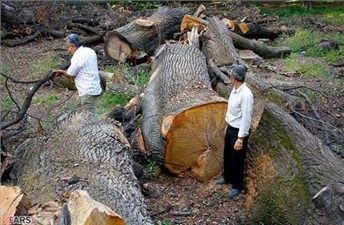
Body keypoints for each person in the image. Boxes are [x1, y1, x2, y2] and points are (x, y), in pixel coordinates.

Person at [216, 63, 254, 198]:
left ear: (234, 78)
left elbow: (246, 118)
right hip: (231, 127)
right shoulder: (235, 89)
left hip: (239, 131)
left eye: (231, 75)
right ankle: (227, 178)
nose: (230, 77)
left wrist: (241, 138)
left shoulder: (246, 95)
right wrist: (228, 123)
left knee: (237, 158)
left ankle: (237, 185)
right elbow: (232, 109)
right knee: (227, 154)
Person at [53, 33, 102, 113]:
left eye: (68, 47)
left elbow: (71, 74)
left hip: (87, 91)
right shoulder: (90, 51)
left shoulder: (77, 56)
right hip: (95, 87)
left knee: (88, 118)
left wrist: (61, 72)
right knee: (79, 113)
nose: (68, 50)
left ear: (72, 46)